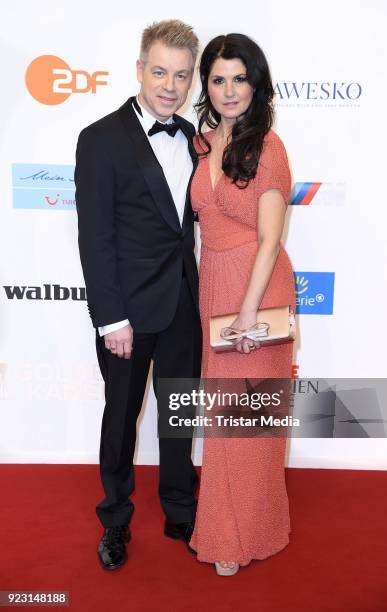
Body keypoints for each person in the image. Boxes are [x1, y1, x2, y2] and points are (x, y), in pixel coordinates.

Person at [74, 19, 202, 570]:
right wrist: (110, 319)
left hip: (184, 306)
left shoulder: (201, 140)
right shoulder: (100, 138)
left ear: (192, 78)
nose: (170, 85)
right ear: (138, 70)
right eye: (159, 72)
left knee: (178, 412)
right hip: (126, 313)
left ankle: (180, 510)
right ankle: (115, 521)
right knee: (120, 418)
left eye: (181, 74)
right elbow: (95, 237)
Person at [188, 33, 295, 575]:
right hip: (214, 286)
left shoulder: (269, 148)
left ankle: (242, 535)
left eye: (239, 78)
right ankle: (228, 524)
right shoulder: (203, 142)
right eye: (217, 79)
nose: (229, 90)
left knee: (247, 423)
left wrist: (251, 311)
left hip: (257, 288)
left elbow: (271, 238)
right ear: (207, 85)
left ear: (256, 83)